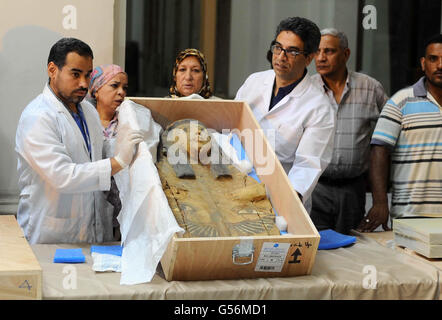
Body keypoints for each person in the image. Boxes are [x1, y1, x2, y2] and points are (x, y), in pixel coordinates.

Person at [15, 38, 143, 244]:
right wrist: (118, 161)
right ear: (52, 70)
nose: (84, 83)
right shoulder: (38, 117)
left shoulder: (88, 111)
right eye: (75, 74)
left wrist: (126, 143)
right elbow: (63, 176)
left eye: (88, 75)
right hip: (51, 234)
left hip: (92, 231)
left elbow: (95, 155)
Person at [235, 17, 336, 212]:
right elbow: (230, 126)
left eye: (292, 51)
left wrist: (285, 205)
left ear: (309, 58)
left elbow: (307, 166)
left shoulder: (320, 107)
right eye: (278, 48)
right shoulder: (254, 81)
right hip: (235, 185)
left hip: (279, 199)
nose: (281, 57)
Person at [358, 34, 442, 232]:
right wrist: (380, 203)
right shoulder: (401, 101)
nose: (440, 65)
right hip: (411, 214)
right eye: (433, 59)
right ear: (423, 63)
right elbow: (379, 151)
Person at [309, 28, 388, 234]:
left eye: (329, 51)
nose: (321, 58)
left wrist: (381, 199)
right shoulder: (306, 89)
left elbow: (392, 133)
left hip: (353, 189)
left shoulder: (370, 88)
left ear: (346, 54)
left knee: (352, 249)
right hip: (315, 187)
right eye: (317, 52)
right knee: (315, 247)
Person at [88, 64, 129, 240]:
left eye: (124, 88)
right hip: (90, 203)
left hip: (121, 205)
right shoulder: (86, 122)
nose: (121, 92)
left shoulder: (127, 123)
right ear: (96, 90)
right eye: (114, 85)